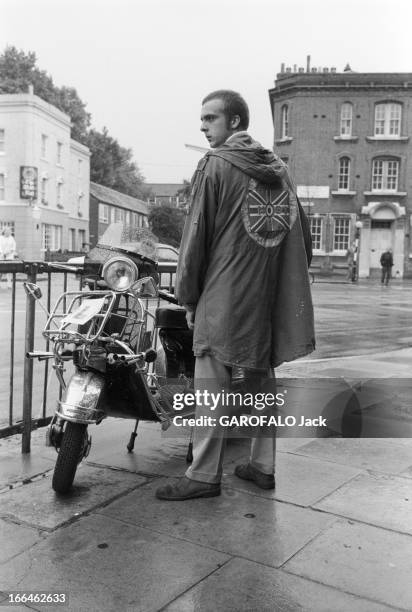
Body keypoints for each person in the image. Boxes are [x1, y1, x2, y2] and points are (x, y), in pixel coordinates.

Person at [155, 90, 315, 501]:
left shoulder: (215, 165)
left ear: (236, 123)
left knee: (211, 386)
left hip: (223, 296)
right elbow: (303, 236)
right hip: (265, 297)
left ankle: (204, 475)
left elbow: (195, 237)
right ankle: (263, 466)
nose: (203, 126)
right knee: (261, 382)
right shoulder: (280, 170)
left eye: (211, 118)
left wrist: (187, 297)